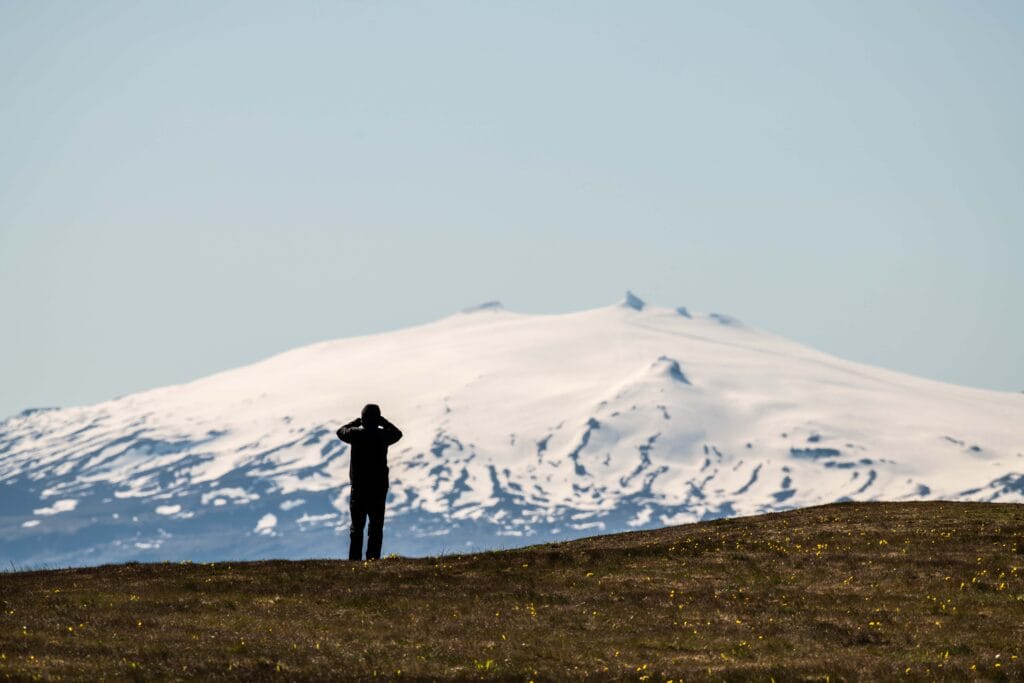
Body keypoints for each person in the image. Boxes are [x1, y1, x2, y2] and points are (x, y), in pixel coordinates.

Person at [336, 404, 402, 561]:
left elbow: (340, 431)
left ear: (364, 419)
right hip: (378, 489)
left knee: (357, 528)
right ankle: (373, 559)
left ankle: (355, 560)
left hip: (359, 488)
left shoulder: (355, 434)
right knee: (376, 527)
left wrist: (355, 422)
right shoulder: (382, 436)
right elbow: (398, 434)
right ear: (377, 419)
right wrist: (383, 422)